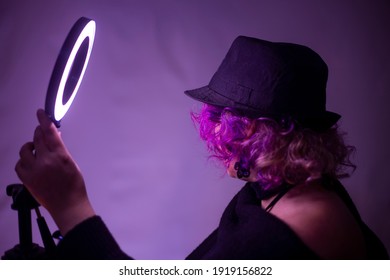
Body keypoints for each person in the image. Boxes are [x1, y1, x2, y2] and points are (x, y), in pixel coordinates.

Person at [15, 36, 388, 259]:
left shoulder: (299, 224)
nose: (228, 161)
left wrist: (71, 207)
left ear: (278, 138)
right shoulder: (284, 191)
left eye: (238, 138)